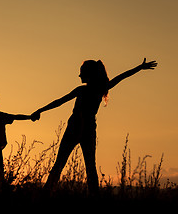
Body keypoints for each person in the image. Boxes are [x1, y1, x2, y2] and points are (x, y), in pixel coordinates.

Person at [32, 58, 157, 194]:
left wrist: (40, 110)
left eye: (81, 73)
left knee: (61, 164)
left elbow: (59, 102)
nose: (79, 76)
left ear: (88, 74)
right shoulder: (98, 89)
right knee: (90, 167)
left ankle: (46, 193)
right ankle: (93, 196)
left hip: (75, 128)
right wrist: (139, 68)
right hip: (88, 129)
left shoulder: (83, 90)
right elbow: (122, 77)